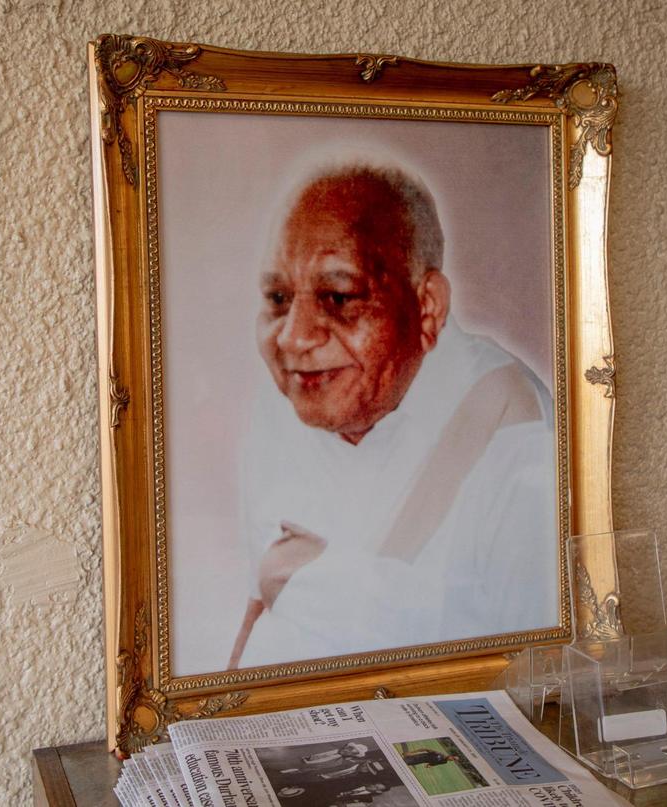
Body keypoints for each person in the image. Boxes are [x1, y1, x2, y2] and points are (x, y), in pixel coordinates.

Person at [228, 159, 558, 669]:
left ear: (427, 309)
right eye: (278, 298)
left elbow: (536, 677)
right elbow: (260, 618)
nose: (293, 336)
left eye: (338, 297)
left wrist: (328, 584)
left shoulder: (514, 428)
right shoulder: (289, 404)